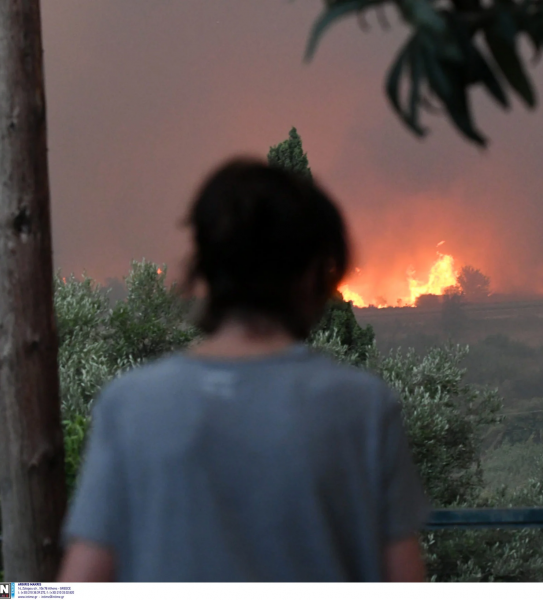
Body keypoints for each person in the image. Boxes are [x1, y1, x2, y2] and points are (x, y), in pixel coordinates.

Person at [57, 159, 429, 582]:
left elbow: (79, 583)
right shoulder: (362, 407)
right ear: (313, 275)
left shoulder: (130, 405)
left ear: (205, 269)